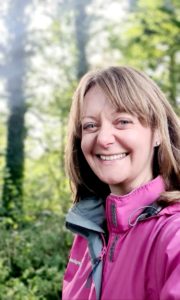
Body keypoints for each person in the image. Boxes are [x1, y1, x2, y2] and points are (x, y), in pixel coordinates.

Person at [62, 66, 180, 300]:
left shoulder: (174, 235)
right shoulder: (88, 233)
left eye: (123, 121)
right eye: (90, 125)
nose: (104, 139)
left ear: (157, 133)